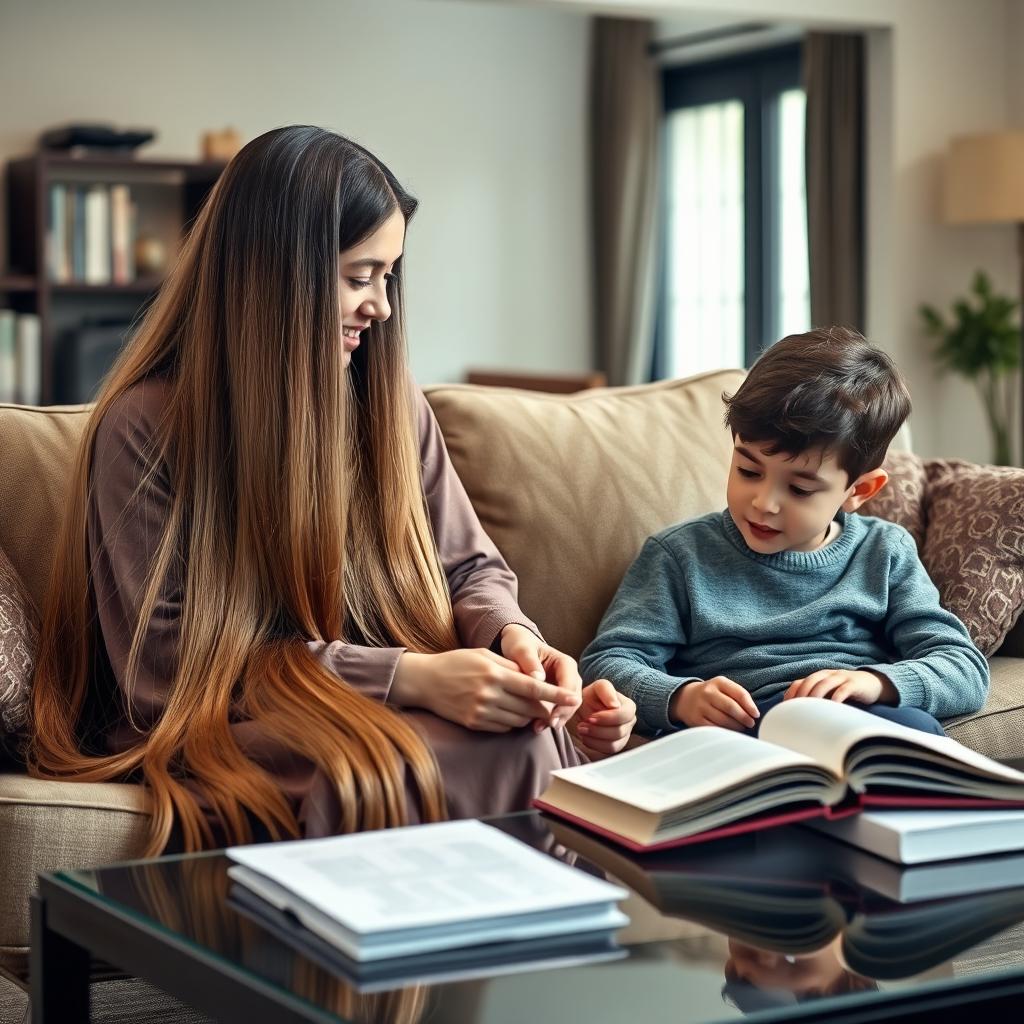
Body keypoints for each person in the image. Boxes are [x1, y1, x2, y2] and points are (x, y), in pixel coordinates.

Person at [28, 125, 636, 855]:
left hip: (364, 705)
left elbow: (469, 569)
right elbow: (166, 667)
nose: (381, 305)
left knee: (516, 736)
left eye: (389, 276)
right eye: (358, 276)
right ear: (274, 276)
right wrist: (406, 680)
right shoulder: (142, 427)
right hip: (221, 720)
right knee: (481, 753)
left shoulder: (389, 400)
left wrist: (516, 641)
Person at [580, 327, 989, 738]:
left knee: (914, 734)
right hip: (737, 732)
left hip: (853, 723)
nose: (763, 502)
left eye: (799, 488)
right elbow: (609, 661)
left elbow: (963, 668)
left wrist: (876, 683)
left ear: (859, 491)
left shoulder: (885, 551)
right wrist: (680, 697)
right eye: (748, 470)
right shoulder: (679, 554)